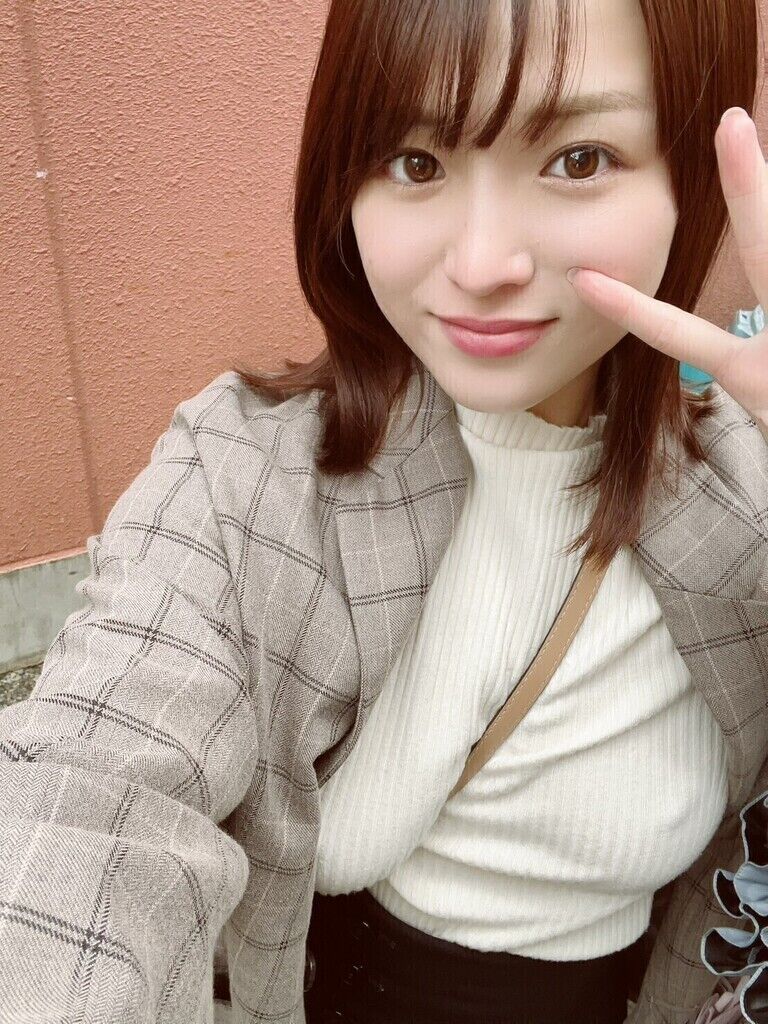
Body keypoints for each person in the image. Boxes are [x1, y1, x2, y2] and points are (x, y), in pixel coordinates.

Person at [1, 0, 766, 1022]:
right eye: (415, 160)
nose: (483, 265)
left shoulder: (744, 494)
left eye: (578, 159)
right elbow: (87, 797)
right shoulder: (247, 479)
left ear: (687, 175)